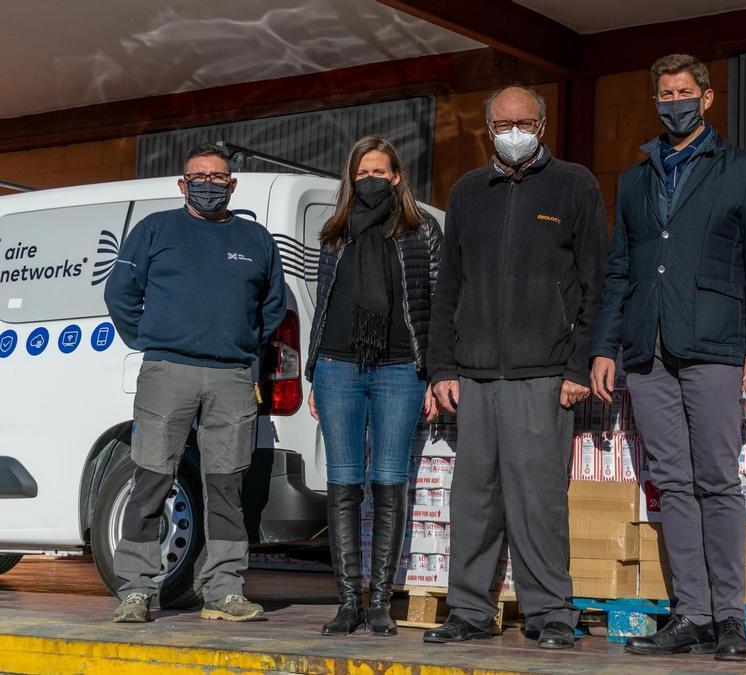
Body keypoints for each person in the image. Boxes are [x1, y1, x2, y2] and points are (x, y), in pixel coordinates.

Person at [590, 54, 746, 661]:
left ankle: (730, 617)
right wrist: (604, 347)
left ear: (706, 99)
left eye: (683, 92)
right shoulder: (637, 179)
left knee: (717, 481)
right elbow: (619, 269)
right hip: (647, 348)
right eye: (663, 94)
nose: (673, 101)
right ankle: (692, 615)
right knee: (672, 484)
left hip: (715, 343)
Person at [421, 85, 608, 650]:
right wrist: (442, 366)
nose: (515, 131)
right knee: (472, 498)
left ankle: (550, 612)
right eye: (503, 124)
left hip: (545, 371)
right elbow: (449, 286)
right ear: (488, 130)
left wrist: (579, 366)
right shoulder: (468, 191)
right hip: (474, 375)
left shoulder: (574, 185)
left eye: (524, 121)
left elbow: (596, 284)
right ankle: (470, 610)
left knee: (536, 499)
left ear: (543, 126)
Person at [105, 143, 286, 623]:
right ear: (183, 184)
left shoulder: (256, 239)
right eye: (199, 177)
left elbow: (273, 305)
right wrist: (151, 339)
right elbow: (119, 292)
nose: (209, 184)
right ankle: (137, 590)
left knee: (226, 485)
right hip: (169, 372)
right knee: (151, 481)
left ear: (233, 184)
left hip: (231, 376)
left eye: (218, 177)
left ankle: (223, 590)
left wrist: (244, 345)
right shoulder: (155, 230)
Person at [303, 136, 442, 636]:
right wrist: (314, 371)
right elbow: (323, 305)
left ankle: (380, 601)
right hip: (339, 368)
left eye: (380, 172)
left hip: (401, 369)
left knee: (389, 483)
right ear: (351, 178)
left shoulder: (421, 231)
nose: (371, 181)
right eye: (363, 173)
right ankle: (347, 601)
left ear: (398, 177)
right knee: (344, 485)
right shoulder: (334, 233)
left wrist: (434, 372)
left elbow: (438, 307)